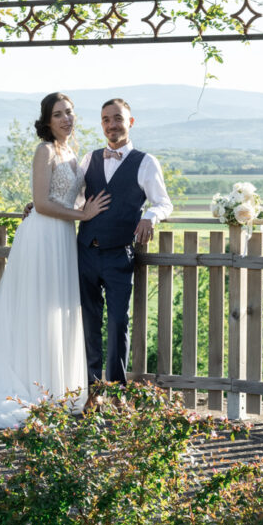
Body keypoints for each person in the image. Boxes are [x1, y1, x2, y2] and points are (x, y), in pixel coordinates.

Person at [0, 92, 109, 429]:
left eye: (69, 112)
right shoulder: (44, 151)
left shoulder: (73, 153)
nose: (65, 119)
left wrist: (87, 211)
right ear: (47, 121)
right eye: (58, 114)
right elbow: (41, 203)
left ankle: (56, 389)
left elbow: (77, 196)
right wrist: (80, 213)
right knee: (36, 309)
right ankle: (30, 389)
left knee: (57, 309)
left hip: (62, 238)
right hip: (43, 235)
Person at [77, 96, 173, 387]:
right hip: (86, 253)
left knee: (118, 322)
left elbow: (164, 202)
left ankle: (116, 389)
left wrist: (150, 217)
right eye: (106, 119)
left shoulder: (145, 162)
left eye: (117, 118)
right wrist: (36, 204)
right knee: (88, 322)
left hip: (119, 254)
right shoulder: (88, 159)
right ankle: (92, 389)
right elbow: (72, 198)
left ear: (130, 122)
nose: (111, 124)